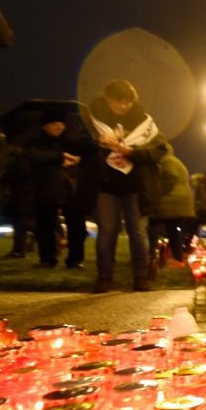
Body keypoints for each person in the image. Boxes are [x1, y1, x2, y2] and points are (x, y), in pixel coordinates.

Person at [86, 79, 169, 293]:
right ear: (108, 99)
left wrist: (132, 152)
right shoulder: (93, 120)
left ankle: (141, 277)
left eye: (128, 102)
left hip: (136, 185)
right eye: (118, 102)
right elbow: (78, 143)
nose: (124, 106)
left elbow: (161, 150)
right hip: (106, 184)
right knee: (107, 231)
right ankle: (104, 277)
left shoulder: (145, 123)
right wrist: (98, 143)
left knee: (138, 231)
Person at [23, 110, 85, 269]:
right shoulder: (34, 142)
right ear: (44, 126)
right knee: (45, 227)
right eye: (53, 123)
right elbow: (34, 156)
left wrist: (77, 160)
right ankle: (47, 259)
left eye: (60, 123)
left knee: (77, 226)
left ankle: (75, 260)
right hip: (45, 189)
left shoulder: (71, 141)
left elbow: (85, 157)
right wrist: (60, 157)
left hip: (70, 189)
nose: (58, 126)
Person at [149, 146, 195, 273]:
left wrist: (159, 191)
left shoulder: (167, 161)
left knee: (157, 227)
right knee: (174, 231)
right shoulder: (176, 161)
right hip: (181, 202)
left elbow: (171, 177)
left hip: (172, 201)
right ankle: (176, 258)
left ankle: (154, 255)